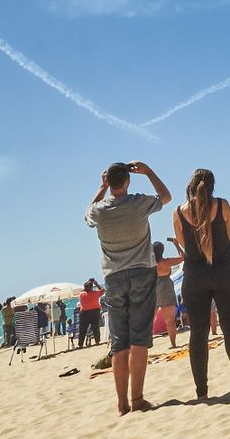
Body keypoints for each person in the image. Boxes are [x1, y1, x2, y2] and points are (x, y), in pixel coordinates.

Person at [85, 159, 171, 416]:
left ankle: (121, 404)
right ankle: (137, 399)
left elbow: (87, 212)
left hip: (113, 277)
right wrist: (150, 171)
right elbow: (165, 197)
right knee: (140, 339)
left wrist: (101, 188)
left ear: (109, 182)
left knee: (119, 342)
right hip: (142, 273)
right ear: (128, 181)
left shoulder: (99, 211)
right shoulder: (138, 202)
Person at [173, 168, 230, 402]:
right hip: (224, 271)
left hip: (195, 276)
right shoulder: (223, 205)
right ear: (212, 185)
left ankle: (202, 393)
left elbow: (185, 244)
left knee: (198, 333)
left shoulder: (178, 212)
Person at [154, 241, 185, 349]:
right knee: (170, 320)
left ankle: (144, 345)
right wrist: (177, 245)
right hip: (166, 286)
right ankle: (173, 343)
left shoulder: (150, 263)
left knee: (149, 320)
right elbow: (182, 257)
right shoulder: (166, 262)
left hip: (153, 287)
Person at [77, 280, 103, 348]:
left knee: (82, 329)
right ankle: (97, 341)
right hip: (94, 312)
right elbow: (103, 290)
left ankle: (80, 344)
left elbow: (83, 290)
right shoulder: (95, 293)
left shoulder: (81, 294)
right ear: (92, 287)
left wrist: (88, 284)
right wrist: (96, 283)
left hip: (84, 313)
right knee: (95, 328)